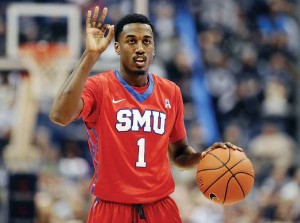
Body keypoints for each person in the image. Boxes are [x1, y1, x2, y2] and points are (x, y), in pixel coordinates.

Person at [49, 6, 242, 223]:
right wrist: (90, 55)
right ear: (118, 47)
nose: (140, 47)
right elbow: (59, 115)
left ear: (154, 49)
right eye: (131, 41)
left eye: (146, 41)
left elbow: (179, 154)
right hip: (112, 208)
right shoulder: (99, 87)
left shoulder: (171, 92)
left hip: (160, 207)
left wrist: (203, 157)